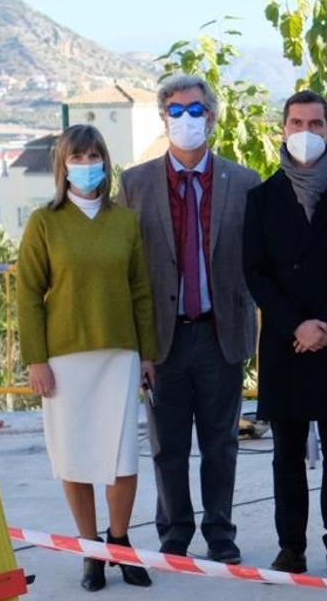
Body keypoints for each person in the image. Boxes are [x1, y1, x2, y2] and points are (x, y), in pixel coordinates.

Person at [117, 74, 260, 563]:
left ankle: (220, 531)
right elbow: (126, 268)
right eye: (175, 111)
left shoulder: (243, 182)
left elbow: (257, 261)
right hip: (163, 339)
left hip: (222, 334)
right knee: (167, 447)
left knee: (221, 444)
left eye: (195, 110)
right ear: (163, 118)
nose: (185, 120)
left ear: (212, 117)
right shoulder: (134, 184)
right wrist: (138, 349)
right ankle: (174, 532)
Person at [244, 90, 327, 578]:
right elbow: (255, 272)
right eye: (296, 122)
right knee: (286, 453)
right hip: (286, 342)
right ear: (283, 129)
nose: (306, 132)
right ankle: (290, 547)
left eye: (315, 123)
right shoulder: (261, 198)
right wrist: (294, 324)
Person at [18, 124, 155, 591]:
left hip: (120, 354)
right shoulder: (44, 222)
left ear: (106, 161)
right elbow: (28, 294)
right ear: (62, 165)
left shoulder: (124, 220)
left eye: (94, 155)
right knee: (74, 457)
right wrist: (36, 359)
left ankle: (119, 542)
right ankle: (90, 549)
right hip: (64, 359)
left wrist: (148, 353)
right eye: (77, 156)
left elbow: (140, 290)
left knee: (123, 459)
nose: (87, 164)